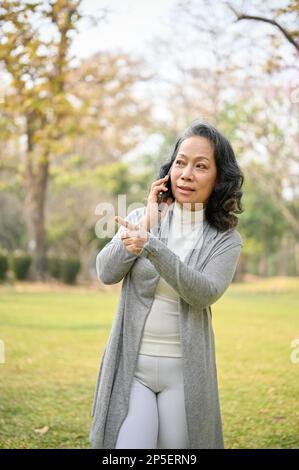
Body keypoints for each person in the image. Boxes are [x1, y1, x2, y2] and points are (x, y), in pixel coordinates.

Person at [89, 119, 244, 449]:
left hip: (184, 374)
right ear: (170, 170)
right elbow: (106, 272)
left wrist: (151, 245)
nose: (187, 174)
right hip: (134, 369)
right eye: (180, 162)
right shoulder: (143, 218)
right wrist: (147, 220)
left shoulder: (226, 240)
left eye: (201, 166)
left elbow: (203, 293)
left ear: (219, 179)